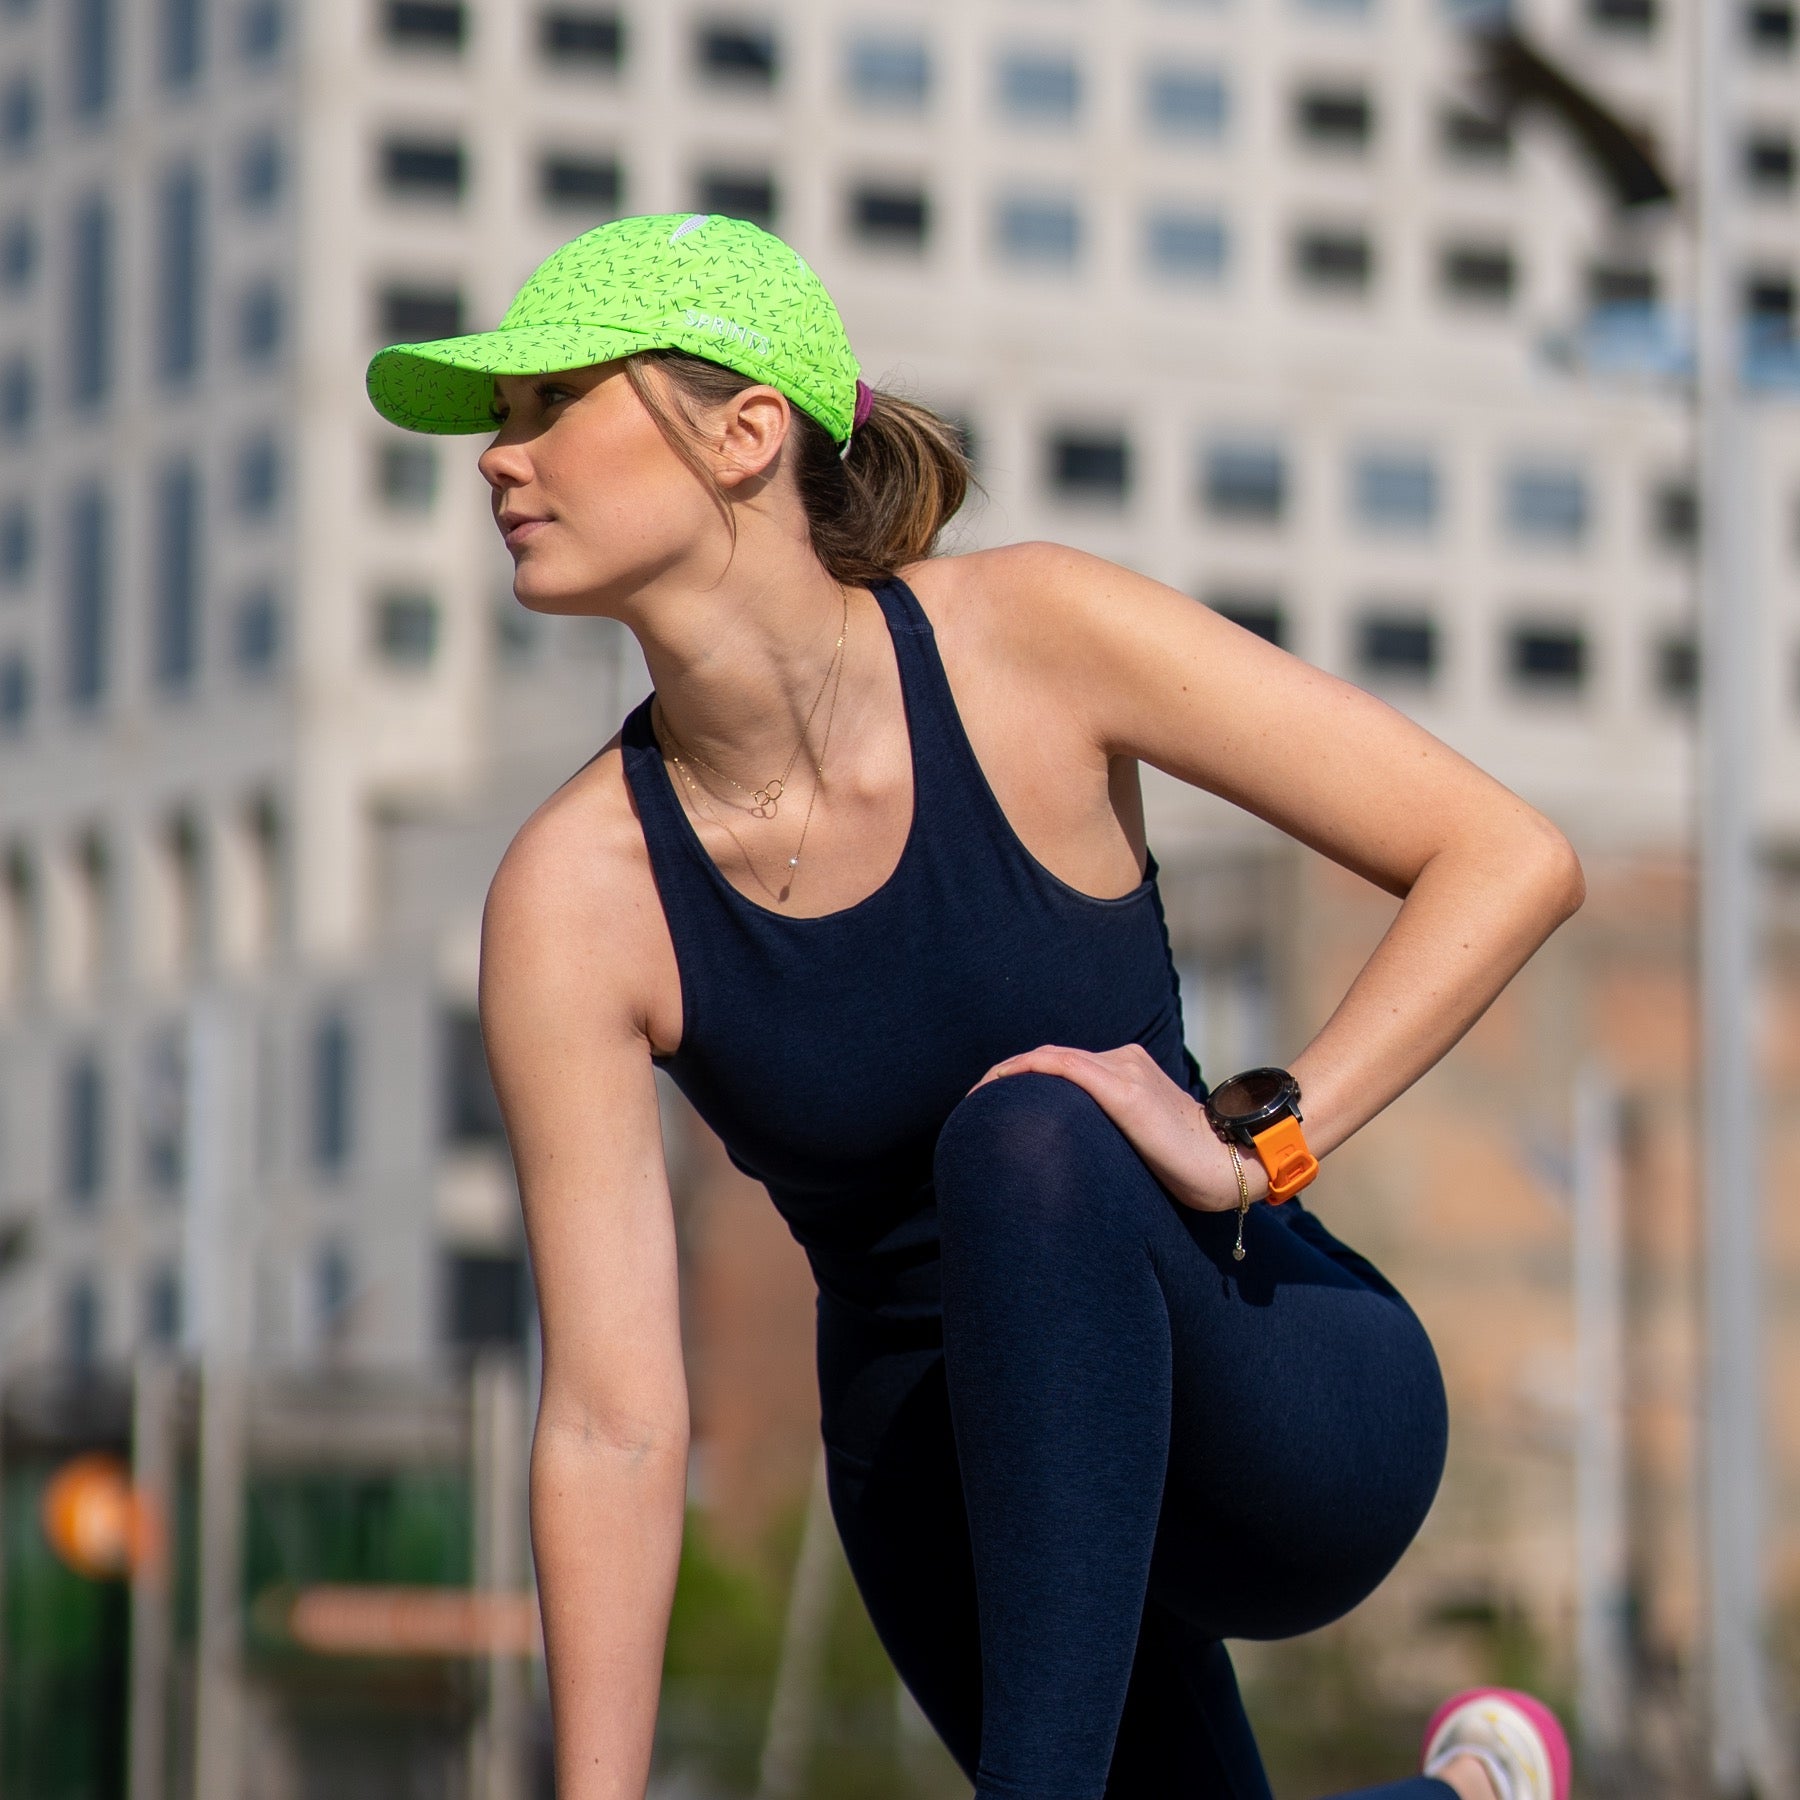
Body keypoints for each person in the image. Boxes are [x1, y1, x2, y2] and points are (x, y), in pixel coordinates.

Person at [366, 214, 1585, 1800]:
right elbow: (610, 1421)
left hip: (1270, 1399)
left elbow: (1506, 855)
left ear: (743, 434)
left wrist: (1252, 1148)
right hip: (945, 1483)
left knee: (1029, 1128)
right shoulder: (573, 896)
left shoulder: (1034, 641)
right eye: (498, 423)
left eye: (549, 406)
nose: (497, 462)